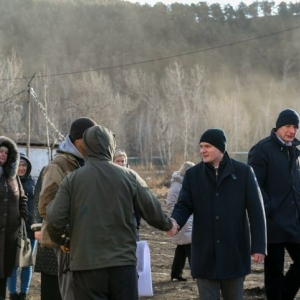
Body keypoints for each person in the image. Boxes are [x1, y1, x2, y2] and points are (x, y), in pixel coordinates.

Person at [45, 124, 178, 300]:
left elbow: (54, 220)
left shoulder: (72, 180)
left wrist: (63, 240)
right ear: (111, 146)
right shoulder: (129, 176)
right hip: (123, 265)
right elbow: (151, 207)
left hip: (86, 266)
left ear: (86, 146)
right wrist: (168, 225)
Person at [170, 128, 267, 300]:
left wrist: (259, 245)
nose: (202, 150)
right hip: (204, 254)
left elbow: (256, 211)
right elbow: (184, 204)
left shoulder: (243, 172)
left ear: (220, 148)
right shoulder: (193, 175)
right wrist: (175, 222)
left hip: (234, 253)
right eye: (201, 146)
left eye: (207, 146)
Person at [31, 117, 97, 300]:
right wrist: (65, 232)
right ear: (78, 140)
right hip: (60, 242)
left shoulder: (84, 162)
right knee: (61, 292)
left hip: (78, 241)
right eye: (91, 136)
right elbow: (45, 206)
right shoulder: (59, 165)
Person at [248, 108, 300, 300]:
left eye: (295, 127)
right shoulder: (262, 149)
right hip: (272, 223)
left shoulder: (294, 152)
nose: (292, 130)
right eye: (288, 126)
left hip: (293, 222)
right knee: (274, 275)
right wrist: (267, 208)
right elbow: (254, 184)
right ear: (278, 126)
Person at [0, 137, 28, 300]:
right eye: (0, 151)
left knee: (4, 274)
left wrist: (22, 217)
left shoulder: (13, 177)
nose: (3, 155)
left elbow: (22, 197)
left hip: (9, 237)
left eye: (6, 152)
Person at [7, 153, 36, 300]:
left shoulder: (33, 183)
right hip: (12, 229)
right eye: (19, 165)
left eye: (24, 165)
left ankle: (23, 293)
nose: (21, 168)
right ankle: (12, 293)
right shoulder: (9, 182)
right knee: (12, 262)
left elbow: (37, 205)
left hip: (30, 229)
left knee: (26, 262)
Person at [166, 161, 194, 282]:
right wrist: (176, 219)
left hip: (186, 221)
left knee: (182, 250)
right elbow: (170, 204)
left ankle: (175, 273)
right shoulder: (177, 185)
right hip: (182, 222)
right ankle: (197, 273)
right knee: (191, 248)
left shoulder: (184, 184)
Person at [113, 149, 141, 241]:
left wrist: (137, 222)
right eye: (118, 161)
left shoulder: (132, 177)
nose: (121, 163)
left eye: (123, 161)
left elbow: (138, 200)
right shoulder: (108, 178)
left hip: (130, 220)